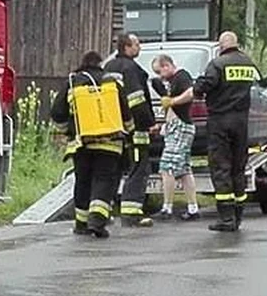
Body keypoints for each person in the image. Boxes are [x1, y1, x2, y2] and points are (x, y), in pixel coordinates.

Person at [51, 51, 135, 238]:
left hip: (81, 143)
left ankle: (81, 224)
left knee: (83, 181)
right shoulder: (111, 82)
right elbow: (126, 112)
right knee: (103, 180)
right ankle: (97, 221)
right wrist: (129, 133)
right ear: (100, 65)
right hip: (110, 144)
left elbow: (57, 112)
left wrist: (68, 131)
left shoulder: (72, 82)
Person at [193, 31, 257, 232]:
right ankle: (237, 216)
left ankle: (226, 219)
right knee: (238, 168)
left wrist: (197, 86)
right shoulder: (248, 63)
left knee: (221, 167)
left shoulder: (218, 64)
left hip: (220, 120)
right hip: (241, 121)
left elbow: (205, 86)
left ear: (221, 46)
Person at [104, 33, 155, 227]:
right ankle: (131, 212)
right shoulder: (131, 69)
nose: (139, 47)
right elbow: (137, 100)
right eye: (137, 44)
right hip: (135, 129)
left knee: (113, 170)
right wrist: (149, 123)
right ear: (127, 47)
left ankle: (104, 211)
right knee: (139, 168)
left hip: (112, 128)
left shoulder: (108, 68)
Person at [150, 54, 199, 221]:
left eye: (160, 71)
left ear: (167, 65)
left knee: (167, 167)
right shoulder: (171, 83)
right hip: (175, 127)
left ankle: (167, 208)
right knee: (185, 169)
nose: (160, 76)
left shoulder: (182, 76)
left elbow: (191, 93)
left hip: (180, 127)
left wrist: (173, 101)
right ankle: (193, 208)